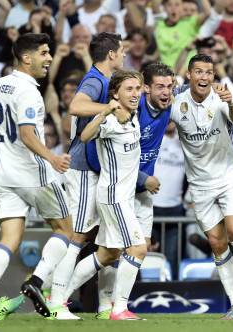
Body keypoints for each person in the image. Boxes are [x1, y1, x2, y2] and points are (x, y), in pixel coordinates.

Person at [0, 33, 74, 322]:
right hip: (34, 176)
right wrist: (51, 157)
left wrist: (6, 143)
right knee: (65, 230)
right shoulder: (29, 92)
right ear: (26, 58)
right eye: (44, 53)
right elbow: (28, 134)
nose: (49, 58)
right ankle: (36, 282)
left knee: (9, 239)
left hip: (6, 175)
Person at [170, 54, 233, 319]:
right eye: (199, 72)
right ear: (189, 75)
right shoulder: (177, 104)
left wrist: (232, 102)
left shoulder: (221, 97)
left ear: (213, 76)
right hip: (199, 184)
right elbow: (160, 124)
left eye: (209, 72)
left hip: (228, 176)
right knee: (216, 242)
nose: (204, 77)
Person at [47, 32, 126, 321]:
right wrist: (109, 108)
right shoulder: (96, 80)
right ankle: (55, 301)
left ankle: (60, 295)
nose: (125, 55)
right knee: (77, 236)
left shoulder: (103, 79)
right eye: (122, 51)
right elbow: (76, 106)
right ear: (111, 54)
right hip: (81, 168)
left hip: (91, 168)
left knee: (92, 236)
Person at [65, 70, 145, 321]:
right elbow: (85, 136)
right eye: (128, 89)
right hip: (114, 196)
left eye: (137, 89)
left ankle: (58, 298)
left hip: (124, 197)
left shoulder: (133, 116)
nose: (134, 94)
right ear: (115, 93)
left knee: (107, 254)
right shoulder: (109, 121)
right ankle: (119, 308)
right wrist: (104, 112)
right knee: (138, 248)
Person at [134, 62, 175, 251]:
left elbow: (192, 89)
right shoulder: (133, 111)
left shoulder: (167, 105)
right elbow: (116, 159)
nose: (166, 92)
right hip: (121, 188)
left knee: (143, 247)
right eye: (160, 87)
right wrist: (144, 178)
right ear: (146, 88)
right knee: (112, 252)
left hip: (142, 191)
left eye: (169, 86)